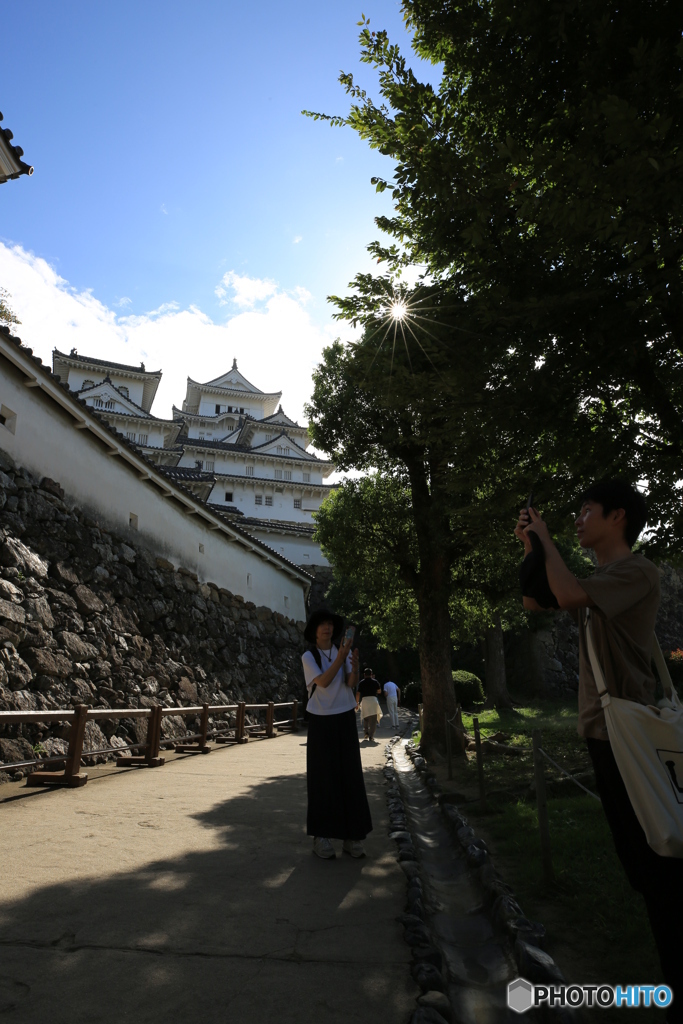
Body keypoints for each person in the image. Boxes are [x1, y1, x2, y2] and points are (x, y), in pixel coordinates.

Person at [515, 480, 683, 1016]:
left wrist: (548, 540)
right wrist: (532, 550)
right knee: (640, 862)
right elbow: (537, 600)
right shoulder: (598, 580)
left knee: (660, 859)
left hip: (630, 733)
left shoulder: (638, 571)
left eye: (586, 511)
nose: (578, 519)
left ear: (617, 517)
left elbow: (564, 594)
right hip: (604, 733)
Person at [301, 609, 373, 860]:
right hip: (321, 720)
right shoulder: (309, 656)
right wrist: (341, 656)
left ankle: (353, 836)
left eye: (330, 624)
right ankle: (322, 836)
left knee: (350, 775)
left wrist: (353, 667)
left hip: (344, 716)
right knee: (323, 777)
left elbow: (349, 684)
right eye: (322, 624)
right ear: (314, 630)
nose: (327, 628)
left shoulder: (339, 651)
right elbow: (323, 682)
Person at [356, 668, 382, 741]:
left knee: (366, 718)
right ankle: (371, 735)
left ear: (364, 675)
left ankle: (366, 732)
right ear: (371, 674)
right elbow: (379, 691)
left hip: (365, 701)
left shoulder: (361, 682)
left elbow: (358, 693)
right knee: (373, 719)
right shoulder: (375, 682)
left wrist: (357, 702)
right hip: (373, 700)